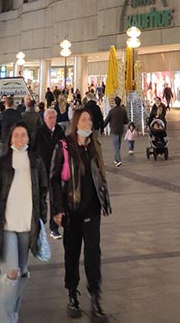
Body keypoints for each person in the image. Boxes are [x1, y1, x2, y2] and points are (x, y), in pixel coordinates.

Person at [50, 107, 111, 320]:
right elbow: (54, 180)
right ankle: (72, 295)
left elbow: (100, 176)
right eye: (84, 120)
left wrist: (105, 202)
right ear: (76, 123)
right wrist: (57, 210)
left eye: (90, 121)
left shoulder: (95, 146)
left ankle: (95, 298)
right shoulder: (64, 146)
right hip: (71, 211)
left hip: (92, 210)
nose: (89, 123)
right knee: (72, 254)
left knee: (93, 255)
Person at [0, 121, 48, 323]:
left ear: (28, 138)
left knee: (22, 271)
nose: (19, 139)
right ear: (10, 139)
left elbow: (42, 191)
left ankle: (12, 313)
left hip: (27, 224)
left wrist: (42, 217)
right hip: (6, 225)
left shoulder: (36, 161)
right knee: (11, 272)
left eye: (23, 135)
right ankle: (3, 319)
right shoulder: (1, 163)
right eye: (16, 135)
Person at [30, 107, 65, 239]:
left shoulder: (60, 131)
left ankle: (54, 228)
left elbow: (64, 147)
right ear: (44, 119)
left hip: (55, 170)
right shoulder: (39, 131)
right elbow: (31, 149)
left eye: (54, 118)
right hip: (41, 170)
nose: (52, 120)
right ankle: (37, 227)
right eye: (50, 118)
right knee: (40, 199)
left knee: (55, 199)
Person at [103, 96, 129, 168]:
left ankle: (118, 160)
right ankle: (116, 158)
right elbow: (126, 121)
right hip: (120, 129)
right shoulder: (123, 110)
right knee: (118, 145)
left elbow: (106, 120)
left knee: (116, 145)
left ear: (114, 102)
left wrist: (102, 127)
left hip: (114, 130)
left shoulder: (111, 111)